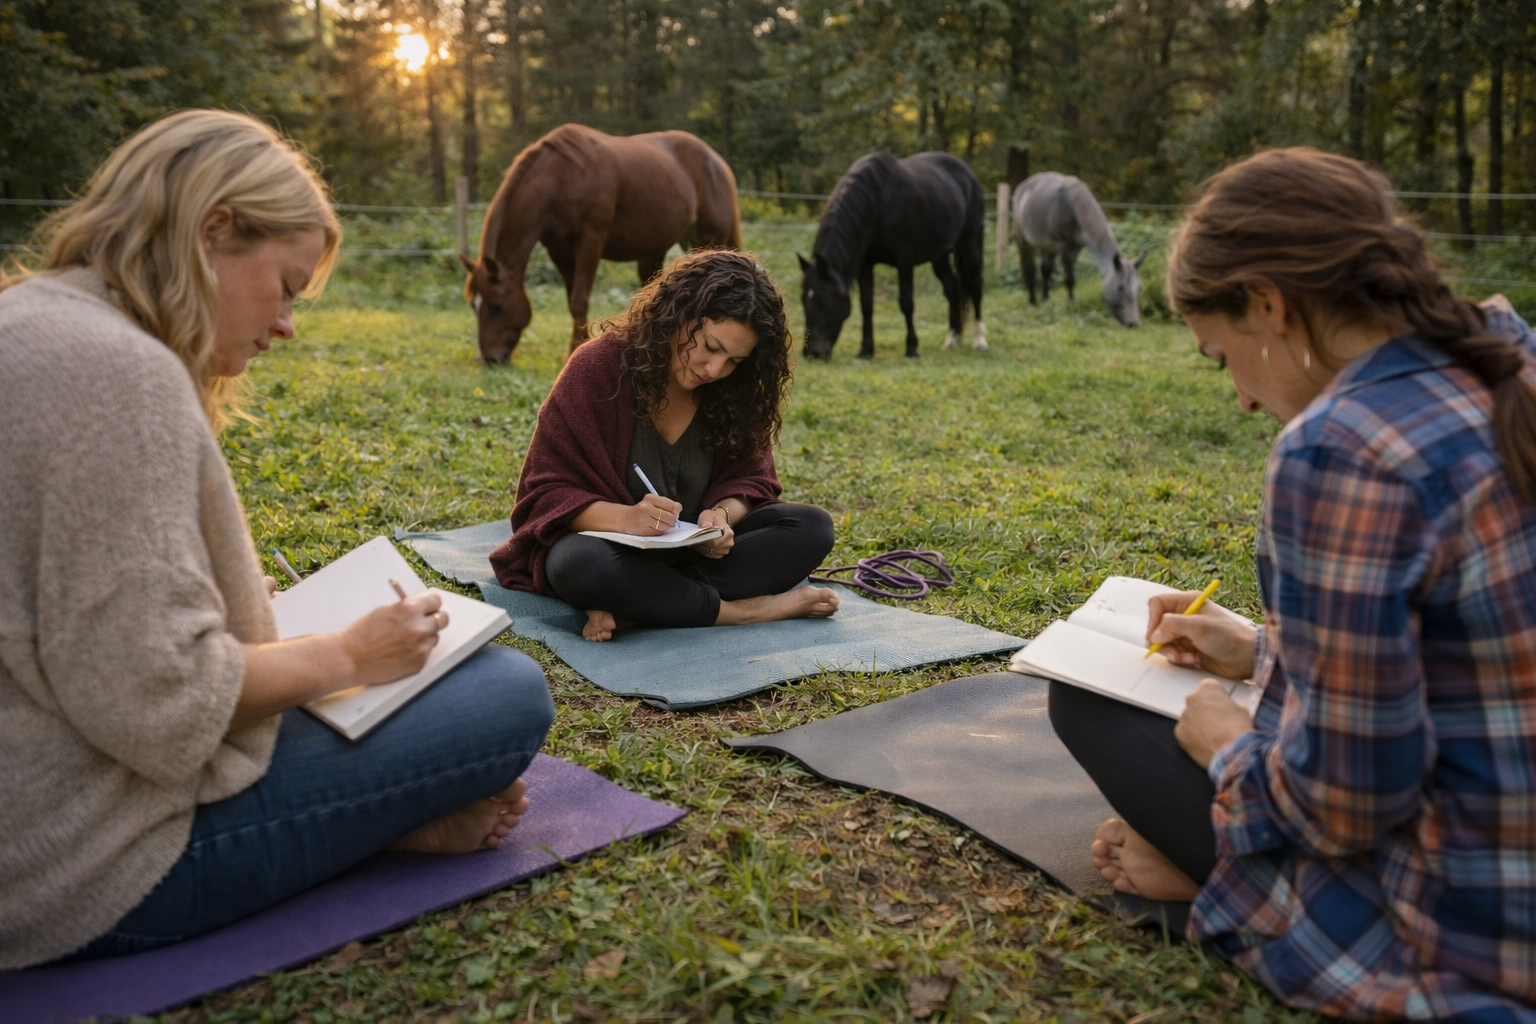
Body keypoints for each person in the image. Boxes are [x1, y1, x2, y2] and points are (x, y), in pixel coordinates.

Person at [0, 110, 555, 969]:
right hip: (63, 857)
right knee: (505, 698)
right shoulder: (118, 375)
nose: (289, 322)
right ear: (214, 230)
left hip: (35, 775)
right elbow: (163, 702)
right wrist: (347, 657)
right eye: (287, 286)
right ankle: (375, 832)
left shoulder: (33, 319)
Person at [1049, 147, 1536, 1020]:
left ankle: (1212, 871)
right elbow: (1479, 655)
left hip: (1465, 914)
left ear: (1269, 304)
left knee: (1088, 707)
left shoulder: (1342, 449)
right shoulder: (1511, 360)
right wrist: (1260, 649)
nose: (1237, 397)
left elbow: (1350, 801)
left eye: (1220, 355)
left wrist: (1226, 742)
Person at [489, 249, 839, 642]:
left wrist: (719, 518)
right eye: (710, 345)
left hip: (694, 553)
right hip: (613, 549)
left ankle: (644, 608)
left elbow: (750, 483)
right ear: (678, 312)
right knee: (579, 565)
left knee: (811, 528)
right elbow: (545, 495)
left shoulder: (735, 389)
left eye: (734, 360)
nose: (714, 370)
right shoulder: (597, 368)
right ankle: (739, 612)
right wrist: (626, 519)